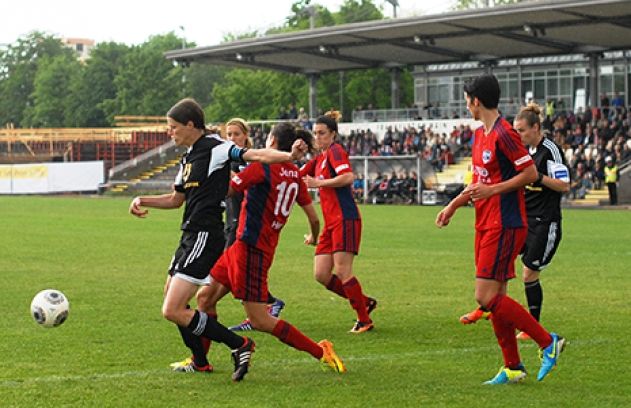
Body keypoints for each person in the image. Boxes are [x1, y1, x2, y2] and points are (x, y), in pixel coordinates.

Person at [129, 98, 307, 381]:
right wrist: (142, 199)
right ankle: (200, 361)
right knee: (172, 300)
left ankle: (240, 344)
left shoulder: (217, 148)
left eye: (173, 127)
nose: (169, 132)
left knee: (172, 309)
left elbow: (257, 156)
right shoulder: (188, 158)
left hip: (205, 235)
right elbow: (176, 200)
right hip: (188, 235)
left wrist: (290, 157)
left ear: (190, 125)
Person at [435, 74, 565, 384]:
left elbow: (530, 172)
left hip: (505, 224)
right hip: (485, 222)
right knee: (498, 299)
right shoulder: (480, 135)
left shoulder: (505, 134)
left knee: (485, 296)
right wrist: (454, 205)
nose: (467, 106)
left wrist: (494, 191)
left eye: (467, 100)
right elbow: (479, 179)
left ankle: (548, 342)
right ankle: (513, 367)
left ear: (475, 101)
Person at [194, 122, 346, 374]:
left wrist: (211, 166)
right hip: (247, 246)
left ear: (272, 141)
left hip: (251, 249)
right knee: (204, 298)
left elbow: (230, 189)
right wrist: (313, 236)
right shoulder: (295, 174)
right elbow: (314, 218)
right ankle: (200, 361)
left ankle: (321, 351)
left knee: (259, 319)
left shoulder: (263, 168)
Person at [460, 103, 571, 342]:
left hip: (544, 221)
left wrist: (537, 177)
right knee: (498, 265)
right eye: (516, 130)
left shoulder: (550, 150)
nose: (518, 135)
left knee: (529, 272)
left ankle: (533, 326)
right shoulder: (521, 151)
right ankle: (488, 306)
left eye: (522, 130)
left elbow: (564, 185)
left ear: (536, 128)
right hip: (521, 218)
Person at [300, 111, 377, 334]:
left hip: (345, 218)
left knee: (343, 271)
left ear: (333, 134)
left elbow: (348, 177)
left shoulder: (335, 151)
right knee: (321, 274)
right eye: (315, 133)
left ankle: (364, 319)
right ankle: (365, 302)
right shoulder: (320, 157)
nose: (318, 137)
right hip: (331, 223)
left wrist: (319, 182)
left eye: (322, 133)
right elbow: (297, 174)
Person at [221, 118, 286, 332]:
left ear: (246, 135)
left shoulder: (254, 158)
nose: (232, 138)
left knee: (236, 270)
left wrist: (225, 175)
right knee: (234, 269)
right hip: (231, 219)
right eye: (228, 135)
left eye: (236, 134)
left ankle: (263, 307)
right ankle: (265, 305)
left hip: (248, 222)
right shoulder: (226, 157)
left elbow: (244, 182)